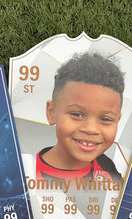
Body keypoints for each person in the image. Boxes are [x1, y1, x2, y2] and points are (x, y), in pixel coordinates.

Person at [36, 53, 124, 184]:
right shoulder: (25, 172)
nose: (91, 129)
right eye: (77, 115)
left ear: (117, 120)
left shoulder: (105, 165)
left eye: (106, 119)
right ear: (51, 113)